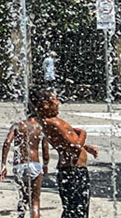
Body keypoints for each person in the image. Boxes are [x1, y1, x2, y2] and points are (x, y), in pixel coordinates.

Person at [37, 89, 98, 218]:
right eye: (55, 99)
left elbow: (64, 142)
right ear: (46, 104)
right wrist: (83, 134)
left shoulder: (46, 122)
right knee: (78, 210)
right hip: (74, 171)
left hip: (68, 170)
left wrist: (85, 146)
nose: (58, 102)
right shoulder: (55, 122)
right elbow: (75, 146)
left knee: (71, 209)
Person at [0, 94, 52, 218]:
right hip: (35, 164)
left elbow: (7, 143)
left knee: (23, 198)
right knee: (35, 201)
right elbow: (45, 149)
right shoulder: (40, 126)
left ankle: (21, 216)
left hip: (19, 166)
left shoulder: (18, 125)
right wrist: (45, 165)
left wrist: (3, 164)